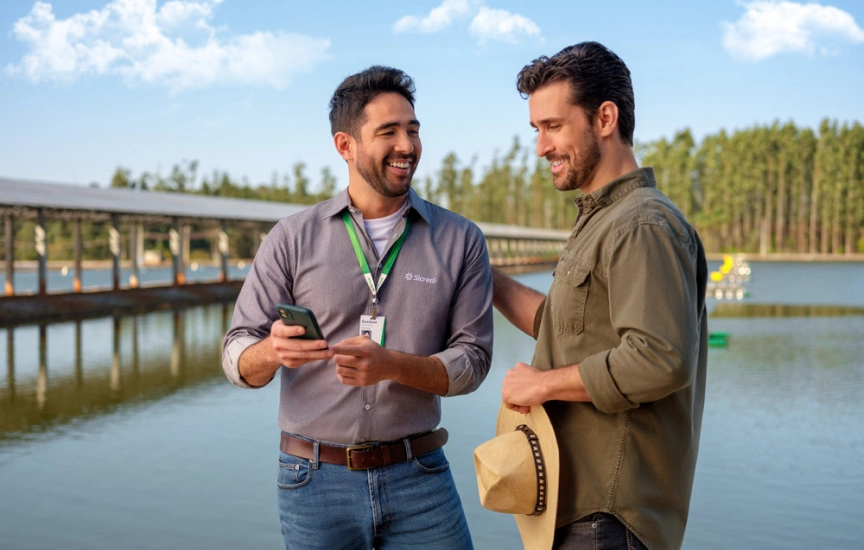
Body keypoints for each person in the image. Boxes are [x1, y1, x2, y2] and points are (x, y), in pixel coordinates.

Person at [222, 66, 493, 550]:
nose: (407, 146)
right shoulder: (291, 238)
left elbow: (473, 362)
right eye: (388, 132)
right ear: (345, 146)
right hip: (312, 483)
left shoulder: (462, 239)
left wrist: (393, 366)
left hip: (422, 478)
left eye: (412, 130)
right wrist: (270, 351)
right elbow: (235, 354)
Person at [491, 42, 708, 550]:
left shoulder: (642, 224)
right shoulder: (604, 220)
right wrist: (487, 277)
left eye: (554, 126)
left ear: (605, 117)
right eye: (536, 130)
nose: (541, 147)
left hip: (610, 518)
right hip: (582, 512)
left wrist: (543, 385)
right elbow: (564, 327)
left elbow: (660, 358)